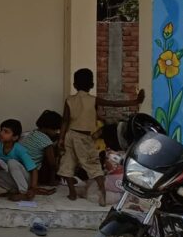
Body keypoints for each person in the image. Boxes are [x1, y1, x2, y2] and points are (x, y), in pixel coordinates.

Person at [58, 68, 144, 206]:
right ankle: (103, 194)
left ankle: (72, 193)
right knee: (94, 166)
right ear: (92, 85)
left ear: (74, 85)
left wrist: (61, 138)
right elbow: (114, 104)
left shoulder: (69, 100)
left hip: (70, 135)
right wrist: (135, 101)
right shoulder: (93, 100)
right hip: (84, 137)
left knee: (67, 164)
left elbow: (65, 121)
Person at [0, 118, 38, 201]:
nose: (1, 133)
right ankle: (13, 190)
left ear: (15, 137)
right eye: (1, 130)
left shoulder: (19, 149)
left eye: (6, 132)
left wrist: (33, 188)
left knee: (12, 162)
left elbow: (34, 169)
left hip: (25, 180)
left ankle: (23, 193)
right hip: (13, 178)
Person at [19, 110, 62, 190]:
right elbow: (52, 164)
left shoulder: (33, 133)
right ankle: (51, 181)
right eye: (55, 130)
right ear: (50, 128)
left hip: (22, 169)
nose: (56, 132)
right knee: (52, 157)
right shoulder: (46, 142)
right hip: (33, 174)